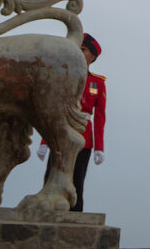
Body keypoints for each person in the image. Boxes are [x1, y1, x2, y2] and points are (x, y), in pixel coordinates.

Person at [38, 32, 106, 211]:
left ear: (92, 55)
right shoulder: (64, 76)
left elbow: (100, 117)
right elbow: (54, 109)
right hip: (61, 132)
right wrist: (45, 140)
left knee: (77, 178)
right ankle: (48, 208)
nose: (79, 53)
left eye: (83, 50)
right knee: (53, 174)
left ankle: (75, 214)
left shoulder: (97, 83)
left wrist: (99, 147)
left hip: (83, 137)